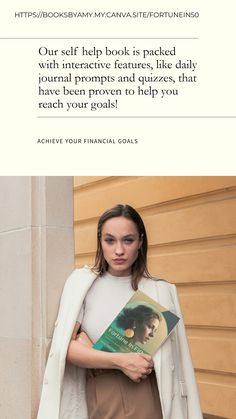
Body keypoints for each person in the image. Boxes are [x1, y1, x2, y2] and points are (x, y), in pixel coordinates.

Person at [37, 204, 203, 419]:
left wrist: (91, 351)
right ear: (100, 241)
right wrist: (122, 361)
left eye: (128, 240)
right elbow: (65, 350)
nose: (119, 251)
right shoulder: (81, 284)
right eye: (110, 240)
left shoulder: (160, 290)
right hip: (98, 391)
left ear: (140, 242)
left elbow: (177, 361)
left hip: (147, 393)